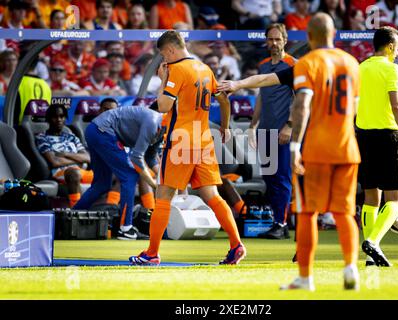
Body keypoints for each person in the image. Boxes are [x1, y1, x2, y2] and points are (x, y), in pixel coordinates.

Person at [219, 13, 361, 291]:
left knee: (307, 212)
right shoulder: (352, 63)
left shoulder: (307, 63)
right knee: (344, 211)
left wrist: (295, 143)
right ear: (333, 34)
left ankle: (305, 277)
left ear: (308, 36)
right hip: (347, 146)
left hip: (317, 147)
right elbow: (354, 107)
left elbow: (299, 100)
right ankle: (351, 267)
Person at [129, 30, 246, 265]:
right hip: (203, 140)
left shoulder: (177, 70)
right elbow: (223, 99)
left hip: (181, 141)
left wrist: (163, 79)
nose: (164, 60)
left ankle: (152, 253)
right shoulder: (204, 68)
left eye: (163, 54)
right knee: (212, 195)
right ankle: (236, 245)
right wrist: (225, 127)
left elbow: (162, 106)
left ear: (171, 49)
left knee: (163, 196)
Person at [356, 26, 398, 267]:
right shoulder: (392, 68)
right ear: (390, 46)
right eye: (397, 48)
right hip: (388, 136)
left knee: (371, 198)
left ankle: (370, 257)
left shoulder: (361, 67)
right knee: (395, 200)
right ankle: (374, 241)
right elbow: (396, 104)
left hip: (364, 136)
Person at [73, 105, 162, 240]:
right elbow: (137, 158)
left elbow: (150, 158)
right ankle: (126, 229)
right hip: (103, 131)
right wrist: (155, 185)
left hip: (94, 130)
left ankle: (71, 216)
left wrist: (164, 179)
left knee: (102, 184)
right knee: (130, 175)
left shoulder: (164, 130)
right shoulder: (153, 121)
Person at [249, 23, 295, 240]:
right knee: (269, 177)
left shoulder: (294, 65)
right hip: (265, 131)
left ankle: (282, 222)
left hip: (283, 131)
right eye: (271, 39)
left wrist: (290, 124)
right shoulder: (264, 66)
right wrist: (252, 125)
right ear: (266, 41)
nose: (274, 43)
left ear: (285, 40)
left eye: (278, 39)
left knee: (282, 178)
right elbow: (261, 96)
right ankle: (279, 222)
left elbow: (301, 98)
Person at [36, 104, 92, 208]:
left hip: (82, 172)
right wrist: (77, 159)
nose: (59, 120)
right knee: (73, 173)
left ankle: (111, 211)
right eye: (55, 117)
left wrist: (65, 154)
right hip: (63, 173)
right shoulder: (43, 138)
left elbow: (88, 158)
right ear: (48, 119)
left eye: (62, 116)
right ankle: (77, 211)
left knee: (111, 174)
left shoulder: (71, 137)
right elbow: (55, 162)